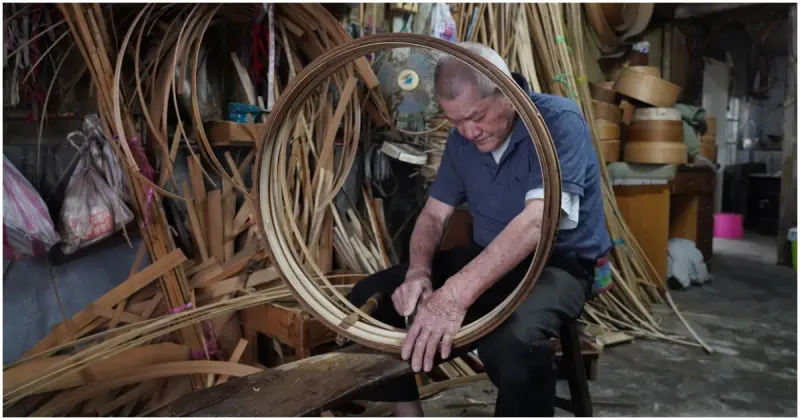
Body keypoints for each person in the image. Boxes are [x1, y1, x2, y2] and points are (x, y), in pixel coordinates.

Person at [348, 42, 612, 417]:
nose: (469, 132)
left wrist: (454, 294)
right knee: (373, 298)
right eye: (455, 120)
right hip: (486, 255)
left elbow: (537, 223)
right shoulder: (462, 140)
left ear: (508, 90)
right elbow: (434, 216)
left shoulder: (558, 122)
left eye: (477, 115)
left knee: (514, 341)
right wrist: (419, 273)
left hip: (559, 264)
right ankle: (408, 414)